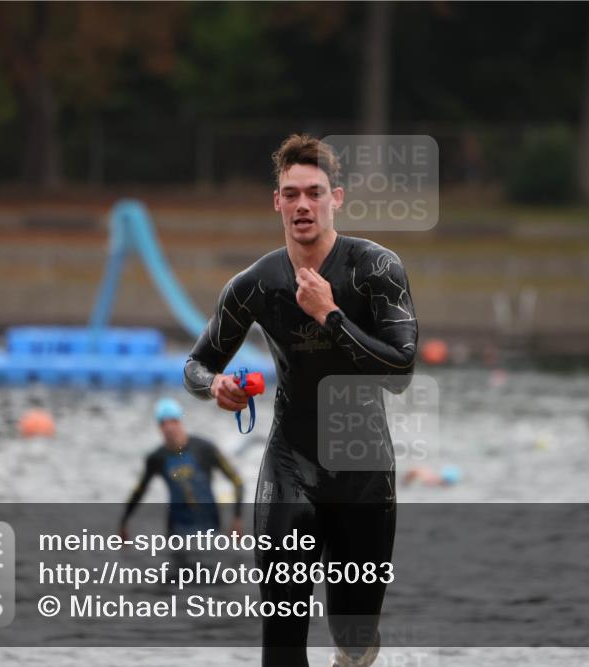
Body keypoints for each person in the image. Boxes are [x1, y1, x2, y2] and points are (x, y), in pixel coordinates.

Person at [184, 134, 418, 667]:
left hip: (363, 473)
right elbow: (196, 366)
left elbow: (401, 371)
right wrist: (215, 387)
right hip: (290, 465)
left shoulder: (376, 269)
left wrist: (330, 315)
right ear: (277, 202)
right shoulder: (255, 284)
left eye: (314, 193)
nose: (303, 205)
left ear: (337, 198)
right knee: (282, 641)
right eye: (291, 194)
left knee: (353, 639)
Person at [119, 398, 244, 540]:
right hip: (177, 532)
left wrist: (237, 518)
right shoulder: (156, 458)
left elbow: (237, 480)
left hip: (210, 527)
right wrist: (124, 522)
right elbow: (139, 491)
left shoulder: (204, 448)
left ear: (180, 422)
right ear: (159, 428)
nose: (169, 428)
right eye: (163, 423)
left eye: (173, 421)